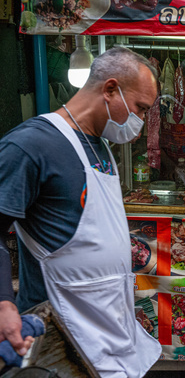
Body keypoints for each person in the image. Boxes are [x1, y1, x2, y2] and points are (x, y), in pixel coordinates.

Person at [0, 46, 162, 377]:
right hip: (60, 327)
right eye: (140, 109)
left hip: (107, 326)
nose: (141, 122)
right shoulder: (31, 145)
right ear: (111, 89)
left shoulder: (99, 144)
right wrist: (3, 302)